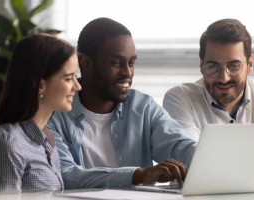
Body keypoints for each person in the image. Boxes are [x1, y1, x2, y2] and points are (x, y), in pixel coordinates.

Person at [48, 17, 196, 189]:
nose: (127, 73)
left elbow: (179, 145)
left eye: (131, 63)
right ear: (85, 62)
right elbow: (65, 174)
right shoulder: (55, 113)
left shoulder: (143, 107)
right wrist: (138, 175)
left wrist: (205, 157)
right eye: (116, 63)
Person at [0, 33, 81, 193]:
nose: (77, 87)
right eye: (68, 79)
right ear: (40, 85)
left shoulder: (46, 140)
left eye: (75, 77)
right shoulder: (6, 144)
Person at [163, 19, 254, 142]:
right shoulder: (180, 99)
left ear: (250, 64)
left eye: (234, 66)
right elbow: (192, 156)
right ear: (201, 66)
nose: (224, 78)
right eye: (213, 66)